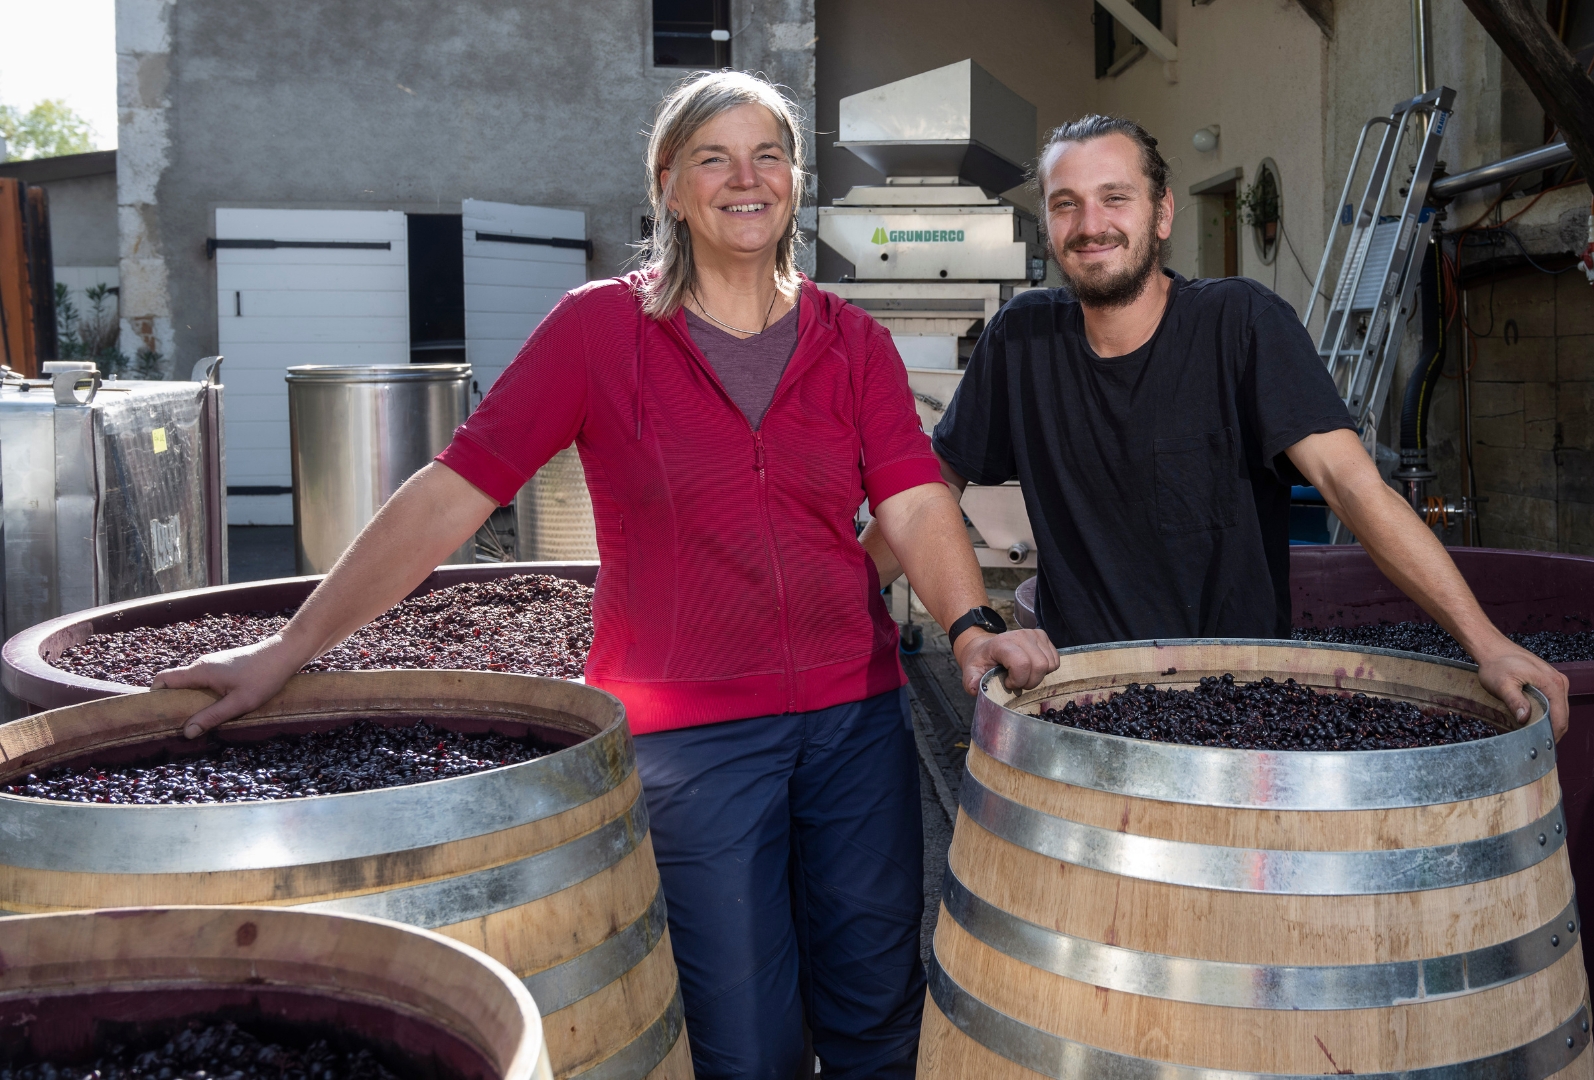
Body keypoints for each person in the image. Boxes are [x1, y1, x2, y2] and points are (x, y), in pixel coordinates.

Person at [155, 71, 1059, 1080]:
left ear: (796, 183)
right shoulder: (599, 331)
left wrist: (972, 620)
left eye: (768, 155)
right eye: (713, 158)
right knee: (744, 1043)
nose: (745, 178)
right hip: (693, 746)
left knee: (877, 1018)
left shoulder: (850, 343)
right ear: (669, 186)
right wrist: (291, 646)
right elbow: (455, 491)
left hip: (854, 723)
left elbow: (914, 499)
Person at [864, 114, 1571, 735]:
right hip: (1078, 698)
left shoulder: (1241, 326)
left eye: (1116, 198)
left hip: (1238, 699)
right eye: (1065, 205)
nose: (1090, 225)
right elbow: (926, 487)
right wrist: (837, 597)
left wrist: (1487, 643)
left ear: (1162, 213)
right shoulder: (1021, 341)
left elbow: (1354, 489)